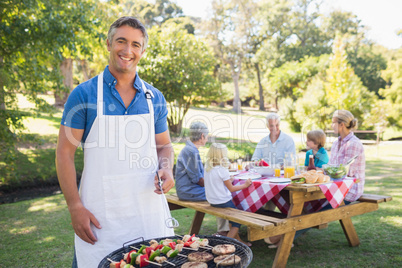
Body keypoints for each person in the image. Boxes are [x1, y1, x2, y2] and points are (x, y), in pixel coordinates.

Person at [55, 17, 175, 267]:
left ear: (143, 50)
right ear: (108, 43)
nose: (127, 50)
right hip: (101, 219)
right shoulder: (84, 94)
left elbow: (164, 145)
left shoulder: (155, 98)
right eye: (121, 41)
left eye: (135, 44)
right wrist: (75, 206)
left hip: (148, 213)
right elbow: (64, 153)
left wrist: (166, 167)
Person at [175, 121, 230, 235]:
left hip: (189, 189)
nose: (207, 138)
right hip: (188, 191)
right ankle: (225, 230)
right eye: (207, 136)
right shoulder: (191, 152)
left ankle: (225, 229)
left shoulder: (191, 150)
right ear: (202, 136)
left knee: (221, 191)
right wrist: (218, 183)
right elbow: (199, 180)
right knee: (221, 193)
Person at [204, 143, 253, 246]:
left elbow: (217, 182)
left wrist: (228, 180)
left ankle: (238, 240)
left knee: (233, 217)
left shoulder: (208, 168)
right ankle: (225, 244)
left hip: (212, 201)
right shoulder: (222, 170)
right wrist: (245, 185)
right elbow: (231, 189)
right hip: (223, 201)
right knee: (237, 221)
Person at [329, 109, 365, 202]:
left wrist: (327, 171)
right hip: (335, 185)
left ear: (342, 125)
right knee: (309, 202)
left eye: (333, 122)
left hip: (350, 190)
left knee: (314, 209)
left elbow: (346, 173)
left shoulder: (353, 144)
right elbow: (331, 166)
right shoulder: (336, 143)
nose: (331, 125)